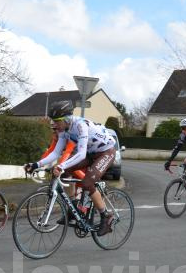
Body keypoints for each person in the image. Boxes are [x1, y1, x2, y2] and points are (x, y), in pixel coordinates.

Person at [24, 101, 117, 236]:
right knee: (64, 173)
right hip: (92, 154)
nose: (54, 125)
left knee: (87, 183)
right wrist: (36, 164)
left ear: (67, 119)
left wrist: (61, 166)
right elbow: (56, 153)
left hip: (105, 152)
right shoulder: (64, 130)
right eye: (53, 121)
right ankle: (74, 208)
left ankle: (106, 216)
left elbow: (80, 154)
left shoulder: (80, 125)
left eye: (57, 121)